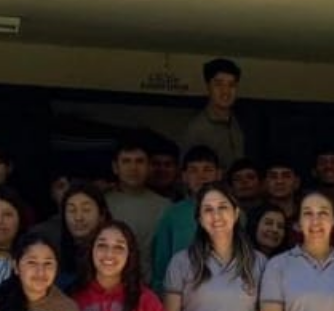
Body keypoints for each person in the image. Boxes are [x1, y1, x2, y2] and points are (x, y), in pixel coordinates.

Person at [147, 144, 223, 282]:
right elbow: (161, 264)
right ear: (184, 176)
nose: (201, 176)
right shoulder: (172, 214)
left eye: (208, 170)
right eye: (193, 170)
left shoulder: (235, 213)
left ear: (219, 174)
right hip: (180, 293)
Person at [103, 137, 169, 280]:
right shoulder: (101, 203)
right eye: (126, 161)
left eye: (139, 161)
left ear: (149, 167)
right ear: (115, 167)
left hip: (151, 289)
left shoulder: (165, 207)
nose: (133, 168)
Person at [182, 56, 248, 168]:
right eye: (218, 84)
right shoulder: (197, 129)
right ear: (208, 87)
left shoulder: (241, 122)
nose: (225, 91)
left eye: (231, 85)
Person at [52, 184, 107, 292]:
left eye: (86, 210)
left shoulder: (113, 254)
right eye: (72, 211)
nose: (78, 217)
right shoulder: (53, 255)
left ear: (102, 215)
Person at [262, 158, 302, 223]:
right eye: (273, 176)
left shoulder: (306, 215)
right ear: (265, 183)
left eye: (286, 176)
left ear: (296, 182)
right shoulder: (256, 216)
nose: (279, 181)